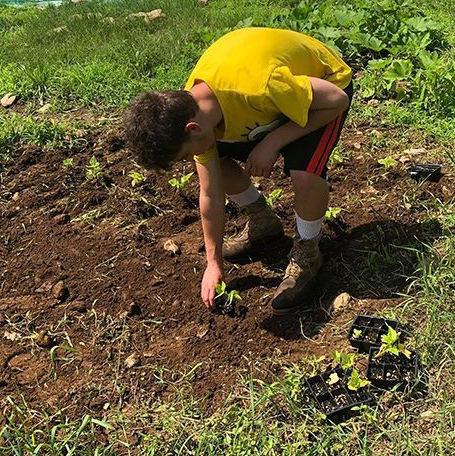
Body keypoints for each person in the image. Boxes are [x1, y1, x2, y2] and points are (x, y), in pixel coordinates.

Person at [123, 27, 352, 314]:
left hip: (324, 90)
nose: (192, 159)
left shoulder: (259, 87)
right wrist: (213, 263)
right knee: (215, 162)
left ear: (193, 129)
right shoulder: (192, 109)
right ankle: (262, 223)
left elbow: (337, 100)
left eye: (187, 154)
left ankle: (308, 250)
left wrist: (273, 142)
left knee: (305, 175)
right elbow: (210, 193)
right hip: (270, 105)